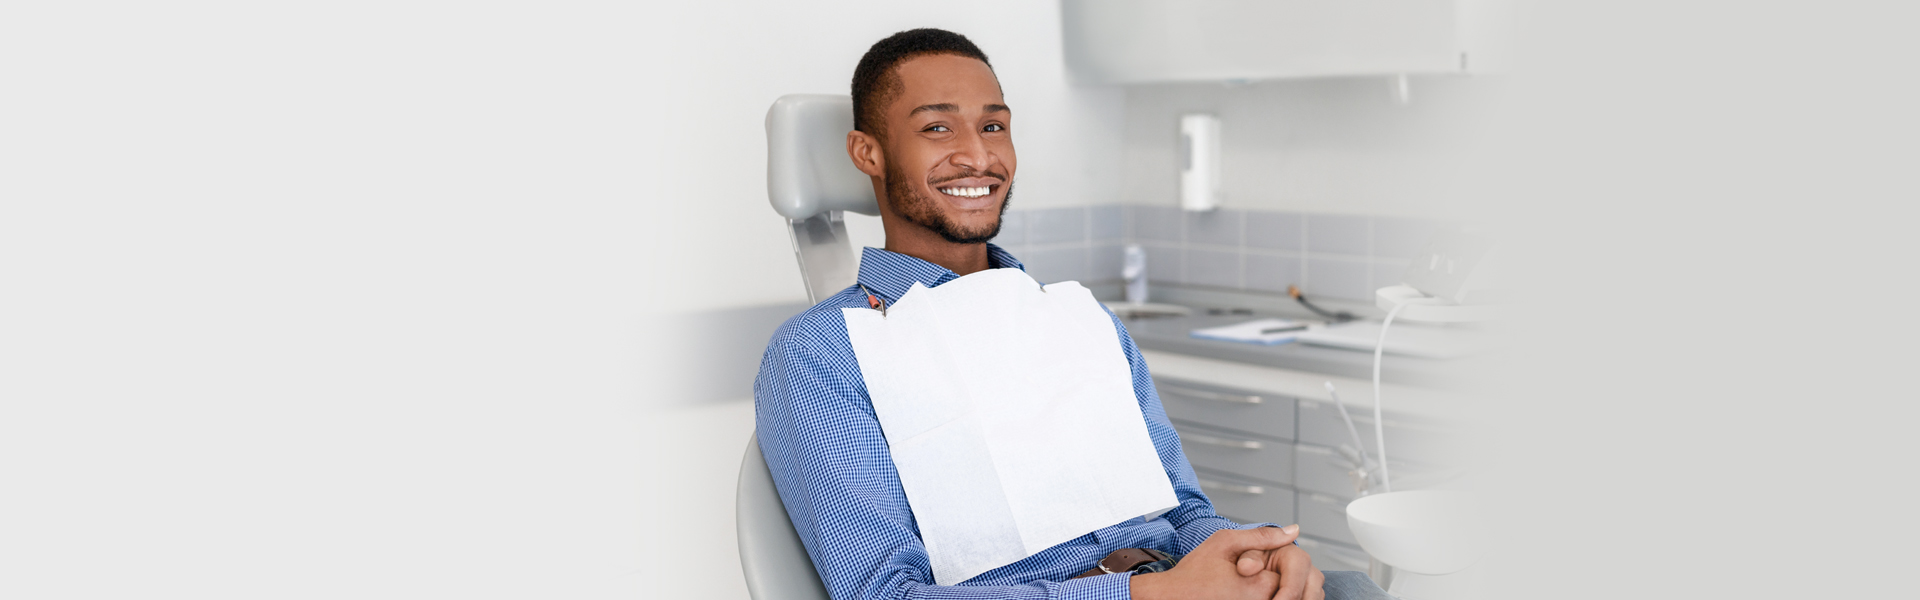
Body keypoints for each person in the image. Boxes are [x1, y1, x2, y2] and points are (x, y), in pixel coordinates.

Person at [754, 28, 1392, 600]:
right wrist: (1143, 598)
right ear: (867, 153)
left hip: (1172, 582)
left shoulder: (1078, 322)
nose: (978, 156)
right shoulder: (822, 355)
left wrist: (1260, 554)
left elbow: (1186, 516)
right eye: (937, 128)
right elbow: (884, 597)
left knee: (1351, 588)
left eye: (994, 126)